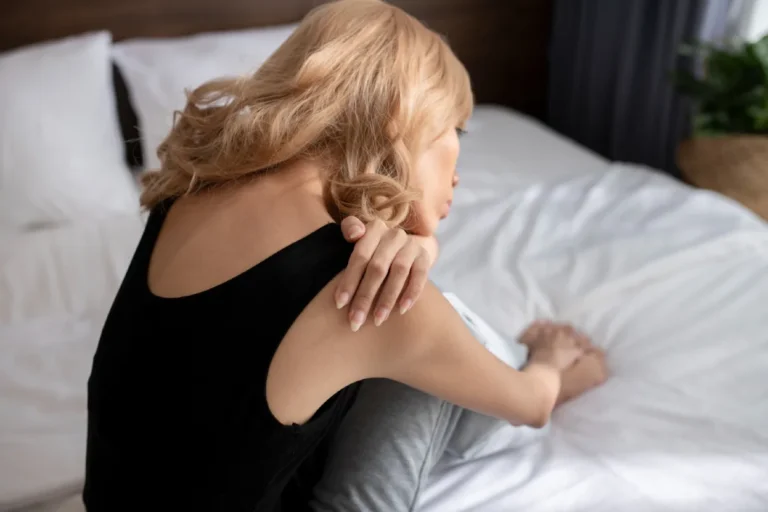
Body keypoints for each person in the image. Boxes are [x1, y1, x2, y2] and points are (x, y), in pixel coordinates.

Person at [82, 1, 608, 511]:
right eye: (457, 129)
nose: (458, 174)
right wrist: (551, 363)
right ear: (405, 118)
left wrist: (420, 243)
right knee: (423, 314)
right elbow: (532, 406)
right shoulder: (354, 285)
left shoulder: (190, 190)